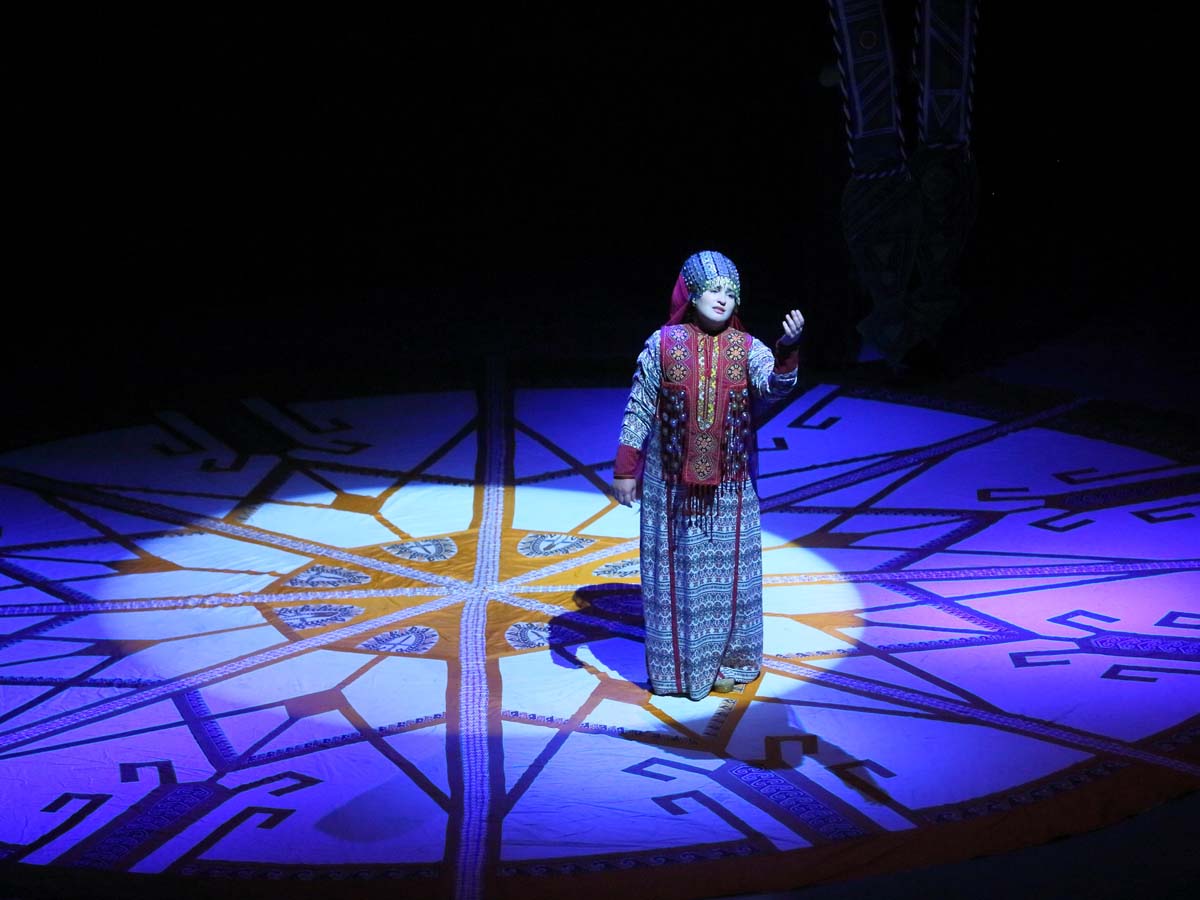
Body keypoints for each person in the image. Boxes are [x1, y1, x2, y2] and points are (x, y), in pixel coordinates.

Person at [613, 250, 804, 700]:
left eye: (731, 293)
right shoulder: (663, 344)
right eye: (714, 289)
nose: (722, 299)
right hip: (670, 486)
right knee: (677, 577)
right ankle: (680, 672)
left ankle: (728, 662)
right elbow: (639, 408)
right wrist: (625, 468)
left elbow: (774, 386)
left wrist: (787, 350)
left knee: (728, 578)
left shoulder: (748, 348)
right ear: (692, 293)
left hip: (731, 487)